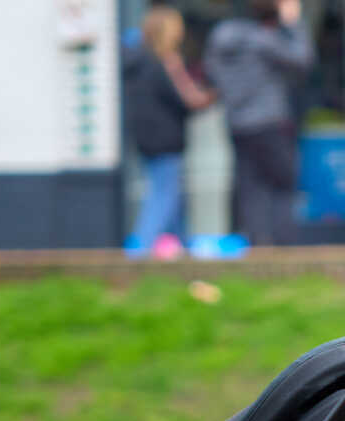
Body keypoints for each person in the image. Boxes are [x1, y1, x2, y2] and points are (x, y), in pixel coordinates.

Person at [204, 0, 312, 246]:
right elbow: (302, 59)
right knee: (282, 185)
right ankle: (286, 249)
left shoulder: (219, 38)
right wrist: (294, 24)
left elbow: (212, 75)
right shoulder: (263, 40)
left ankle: (257, 245)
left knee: (250, 187)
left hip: (237, 124)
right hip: (269, 122)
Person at [123, 5, 213, 257]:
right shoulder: (167, 61)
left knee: (171, 194)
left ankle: (186, 247)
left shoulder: (136, 61)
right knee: (163, 195)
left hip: (145, 138)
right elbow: (187, 99)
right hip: (166, 139)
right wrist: (211, 96)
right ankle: (139, 253)